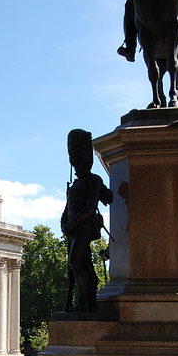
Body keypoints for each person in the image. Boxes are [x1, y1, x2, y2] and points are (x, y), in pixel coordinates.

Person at [61, 129, 113, 312]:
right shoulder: (75, 184)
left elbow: (90, 208)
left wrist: (72, 223)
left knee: (76, 261)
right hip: (74, 228)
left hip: (84, 226)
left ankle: (85, 301)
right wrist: (64, 225)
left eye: (79, 164)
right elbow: (67, 208)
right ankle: (88, 301)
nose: (76, 167)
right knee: (83, 263)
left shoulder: (94, 180)